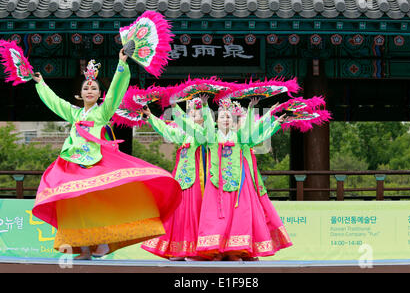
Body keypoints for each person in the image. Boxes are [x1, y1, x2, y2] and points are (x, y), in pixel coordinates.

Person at [31, 49, 182, 260]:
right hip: (73, 165)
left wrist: (121, 65)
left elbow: (114, 93)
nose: (90, 90)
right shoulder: (74, 113)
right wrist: (41, 84)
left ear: (99, 94)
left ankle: (102, 241)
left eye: (94, 88)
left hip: (96, 163)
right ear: (80, 94)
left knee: (98, 203)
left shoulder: (102, 112)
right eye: (86, 88)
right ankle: (83, 248)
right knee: (75, 206)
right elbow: (55, 102)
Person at [193, 98, 292, 261]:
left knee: (240, 217)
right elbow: (208, 127)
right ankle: (216, 251)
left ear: (233, 120)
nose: (226, 119)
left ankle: (236, 251)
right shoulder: (212, 139)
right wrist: (204, 106)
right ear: (216, 120)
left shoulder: (239, 139)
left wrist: (253, 108)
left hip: (238, 183)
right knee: (217, 218)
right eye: (222, 117)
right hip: (217, 184)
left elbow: (253, 130)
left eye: (229, 117)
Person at [140, 95, 210, 261]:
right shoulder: (184, 135)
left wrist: (175, 107)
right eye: (190, 114)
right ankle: (179, 249)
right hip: (181, 178)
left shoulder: (204, 134)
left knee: (194, 213)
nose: (192, 117)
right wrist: (150, 117)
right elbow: (166, 130)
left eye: (196, 115)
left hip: (197, 179)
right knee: (179, 214)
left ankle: (195, 250)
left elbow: (187, 125)